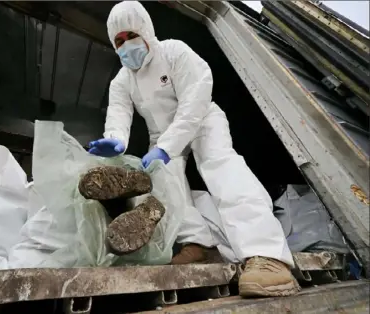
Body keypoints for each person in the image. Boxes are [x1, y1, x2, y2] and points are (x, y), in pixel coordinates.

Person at [88, 1, 299, 297]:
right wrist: (116, 139)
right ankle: (199, 246)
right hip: (161, 136)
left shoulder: (173, 51)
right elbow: (119, 114)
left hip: (201, 120)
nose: (125, 46)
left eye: (131, 36)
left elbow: (195, 99)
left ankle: (268, 256)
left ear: (146, 31)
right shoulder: (122, 80)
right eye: (118, 41)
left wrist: (166, 147)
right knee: (166, 187)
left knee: (221, 167)